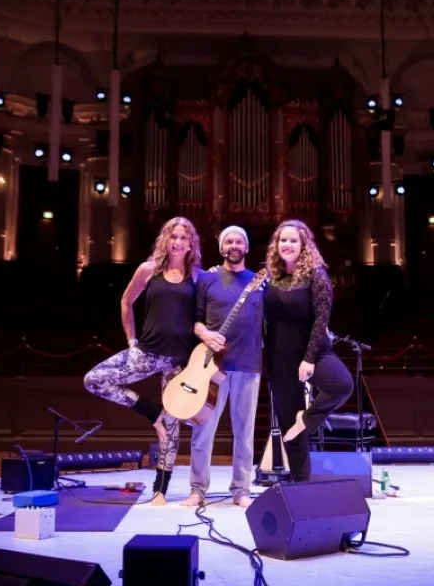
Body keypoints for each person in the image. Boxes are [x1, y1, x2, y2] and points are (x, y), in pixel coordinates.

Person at [83, 217, 201, 505]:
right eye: (173, 236)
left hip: (179, 361)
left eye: (184, 237)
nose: (178, 241)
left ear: (191, 243)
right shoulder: (149, 270)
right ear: (165, 239)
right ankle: (151, 412)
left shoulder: (197, 276)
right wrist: (131, 340)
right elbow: (126, 301)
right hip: (147, 353)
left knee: (172, 427)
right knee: (93, 379)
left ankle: (160, 490)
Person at [264, 219, 354, 482]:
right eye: (283, 240)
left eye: (293, 240)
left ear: (304, 245)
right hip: (279, 354)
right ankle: (301, 483)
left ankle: (308, 419)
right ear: (276, 245)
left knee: (341, 384)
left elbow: (321, 321)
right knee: (288, 423)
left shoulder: (317, 275)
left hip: (311, 350)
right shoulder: (270, 276)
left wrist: (309, 358)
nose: (287, 245)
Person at [182, 226, 264, 508]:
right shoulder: (207, 278)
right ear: (221, 248)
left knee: (245, 431)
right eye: (228, 241)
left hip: (248, 363)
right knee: (203, 428)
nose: (234, 245)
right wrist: (205, 334)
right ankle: (197, 489)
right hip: (211, 367)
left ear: (246, 247)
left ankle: (241, 490)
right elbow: (195, 320)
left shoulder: (259, 282)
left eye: (239, 240)